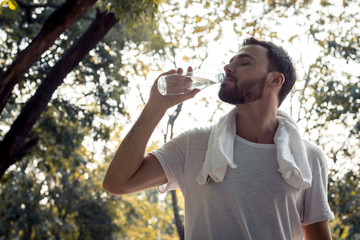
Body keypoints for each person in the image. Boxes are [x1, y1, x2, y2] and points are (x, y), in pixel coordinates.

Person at [103, 37, 334, 239]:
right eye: (230, 62)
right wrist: (155, 106)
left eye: (244, 63)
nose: (228, 67)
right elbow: (116, 183)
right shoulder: (194, 144)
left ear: (275, 80)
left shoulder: (307, 157)